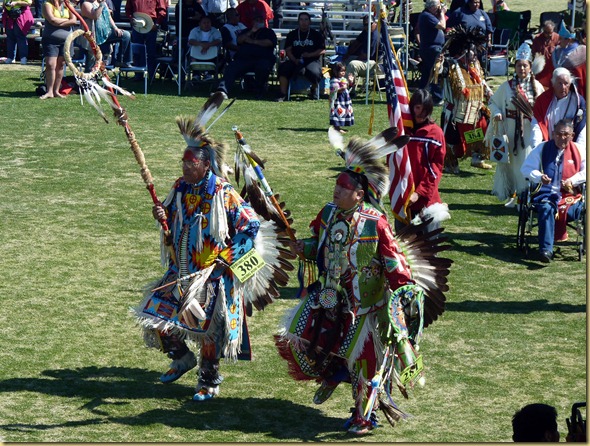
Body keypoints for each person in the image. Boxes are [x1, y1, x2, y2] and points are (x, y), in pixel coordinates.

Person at [275, 127, 451, 435]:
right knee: (304, 340)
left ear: (359, 194)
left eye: (344, 188)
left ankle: (364, 416)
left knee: (365, 364)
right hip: (331, 299)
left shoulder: (375, 222)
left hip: (367, 306)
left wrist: (403, 297)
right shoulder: (329, 214)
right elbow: (318, 245)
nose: (337, 191)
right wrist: (300, 247)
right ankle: (334, 374)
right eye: (336, 186)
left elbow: (393, 261)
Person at [133, 94, 294, 401]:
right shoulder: (180, 187)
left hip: (211, 274)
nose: (184, 165)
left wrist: (227, 259)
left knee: (206, 328)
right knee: (154, 314)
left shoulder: (223, 192)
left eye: (189, 161)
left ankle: (208, 380)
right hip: (180, 268)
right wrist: (162, 215)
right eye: (182, 160)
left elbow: (251, 225)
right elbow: (172, 225)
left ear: (205, 164)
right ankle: (181, 358)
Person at [520, 119, 586, 263]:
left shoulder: (580, 150)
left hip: (570, 196)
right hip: (546, 193)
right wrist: (539, 176)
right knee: (546, 208)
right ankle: (546, 250)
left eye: (566, 135)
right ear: (553, 134)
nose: (562, 138)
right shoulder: (542, 148)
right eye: (558, 134)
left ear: (572, 135)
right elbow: (526, 169)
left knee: (579, 210)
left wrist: (572, 181)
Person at [487, 43, 544, 207]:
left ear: (530, 67)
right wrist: (497, 112)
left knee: (525, 162)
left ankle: (523, 195)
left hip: (528, 130)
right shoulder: (506, 87)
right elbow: (493, 103)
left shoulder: (537, 87)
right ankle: (511, 193)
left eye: (525, 65)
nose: (522, 69)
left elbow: (542, 109)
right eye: (519, 65)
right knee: (510, 163)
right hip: (509, 129)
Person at [436, 25, 493, 173]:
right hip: (454, 114)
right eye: (472, 52)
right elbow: (440, 72)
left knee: (482, 131)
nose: (474, 54)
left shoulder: (475, 66)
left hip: (474, 112)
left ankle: (477, 157)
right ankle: (450, 163)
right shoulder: (451, 65)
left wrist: (488, 92)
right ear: (463, 52)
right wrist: (440, 63)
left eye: (475, 51)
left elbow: (481, 82)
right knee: (453, 141)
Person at [404, 88, 448, 233]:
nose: (421, 113)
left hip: (426, 201)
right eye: (417, 108)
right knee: (403, 248)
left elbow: (436, 168)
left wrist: (419, 192)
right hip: (404, 199)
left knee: (428, 248)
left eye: (425, 109)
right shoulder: (402, 131)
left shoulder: (435, 133)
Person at [216, 14, 277, 98]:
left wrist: (252, 41)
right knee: (231, 67)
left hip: (263, 58)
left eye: (261, 20)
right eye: (257, 20)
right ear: (253, 22)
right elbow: (239, 40)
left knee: (263, 67)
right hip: (244, 59)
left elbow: (269, 43)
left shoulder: (269, 32)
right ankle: (222, 90)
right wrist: (251, 31)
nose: (259, 22)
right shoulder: (246, 31)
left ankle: (259, 91)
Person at [275, 12, 325, 102]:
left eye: (306, 19)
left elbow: (322, 50)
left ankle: (313, 90)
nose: (303, 22)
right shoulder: (292, 34)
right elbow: (288, 50)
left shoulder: (316, 34)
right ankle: (283, 93)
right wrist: (294, 59)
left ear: (310, 21)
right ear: (298, 21)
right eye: (301, 19)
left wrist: (310, 55)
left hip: (311, 60)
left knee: (315, 72)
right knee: (283, 68)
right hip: (295, 60)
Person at [531, 67, 586, 149]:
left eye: (566, 83)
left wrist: (579, 150)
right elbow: (537, 125)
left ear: (570, 84)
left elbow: (582, 128)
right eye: (559, 83)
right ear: (553, 84)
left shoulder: (578, 102)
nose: (563, 87)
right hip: (548, 147)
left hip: (570, 148)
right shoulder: (542, 101)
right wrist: (538, 148)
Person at [40, 0, 78, 99]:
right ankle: (49, 91)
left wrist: (58, 23)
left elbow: (74, 20)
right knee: (50, 64)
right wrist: (66, 21)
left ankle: (56, 91)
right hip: (50, 39)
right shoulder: (47, 5)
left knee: (61, 65)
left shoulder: (68, 5)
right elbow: (51, 20)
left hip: (66, 41)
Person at [79, 0, 132, 70]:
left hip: (106, 33)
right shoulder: (85, 4)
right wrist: (101, 5)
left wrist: (116, 28)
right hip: (93, 37)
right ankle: (89, 78)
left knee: (125, 35)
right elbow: (95, 16)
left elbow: (109, 16)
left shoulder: (102, 3)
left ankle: (121, 61)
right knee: (92, 62)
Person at [125, 0, 168, 80]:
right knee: (137, 51)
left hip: (151, 23)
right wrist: (131, 18)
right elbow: (128, 8)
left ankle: (152, 75)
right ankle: (138, 74)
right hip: (137, 23)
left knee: (151, 52)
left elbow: (162, 10)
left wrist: (157, 24)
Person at [342, 14, 379, 97]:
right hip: (364, 58)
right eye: (364, 24)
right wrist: (347, 54)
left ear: (374, 23)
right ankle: (340, 87)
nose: (366, 26)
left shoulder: (374, 36)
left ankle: (351, 90)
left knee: (352, 64)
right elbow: (357, 42)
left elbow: (367, 55)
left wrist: (353, 58)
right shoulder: (366, 31)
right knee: (342, 63)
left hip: (373, 63)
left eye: (368, 24)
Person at [417, 0, 446, 104]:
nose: (439, 8)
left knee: (427, 73)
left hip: (431, 48)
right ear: (432, 7)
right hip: (432, 49)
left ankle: (421, 95)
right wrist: (442, 13)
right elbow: (442, 25)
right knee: (436, 72)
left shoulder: (429, 16)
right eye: (438, 6)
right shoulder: (427, 16)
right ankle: (437, 97)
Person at [552, 22, 586, 100]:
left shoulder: (583, 52)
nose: (558, 41)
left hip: (576, 93)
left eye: (561, 38)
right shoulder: (557, 51)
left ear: (569, 40)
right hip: (557, 92)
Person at [187, 15, 222, 79]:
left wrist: (208, 45)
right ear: (199, 24)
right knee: (191, 55)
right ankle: (196, 75)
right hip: (197, 56)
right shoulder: (194, 31)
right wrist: (202, 45)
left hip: (212, 57)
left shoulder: (215, 31)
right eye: (204, 23)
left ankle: (209, 74)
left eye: (208, 22)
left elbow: (219, 40)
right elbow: (191, 41)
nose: (206, 24)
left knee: (222, 59)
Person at [2, 0, 34, 65]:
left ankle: (23, 58)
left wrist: (16, 3)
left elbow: (29, 3)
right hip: (9, 16)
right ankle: (10, 58)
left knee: (20, 37)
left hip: (21, 15)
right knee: (10, 37)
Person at [530, 20, 560, 90]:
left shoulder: (557, 38)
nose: (548, 35)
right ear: (543, 30)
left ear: (553, 29)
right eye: (546, 32)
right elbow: (533, 53)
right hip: (540, 70)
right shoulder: (537, 38)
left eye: (550, 32)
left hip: (552, 69)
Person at [328, 62, 354, 133]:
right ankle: (336, 128)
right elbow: (334, 91)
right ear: (335, 71)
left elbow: (348, 88)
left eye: (344, 71)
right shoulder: (334, 80)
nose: (343, 73)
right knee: (337, 112)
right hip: (337, 100)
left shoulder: (343, 79)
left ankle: (339, 127)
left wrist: (350, 82)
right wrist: (342, 88)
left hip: (344, 99)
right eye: (341, 71)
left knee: (343, 112)